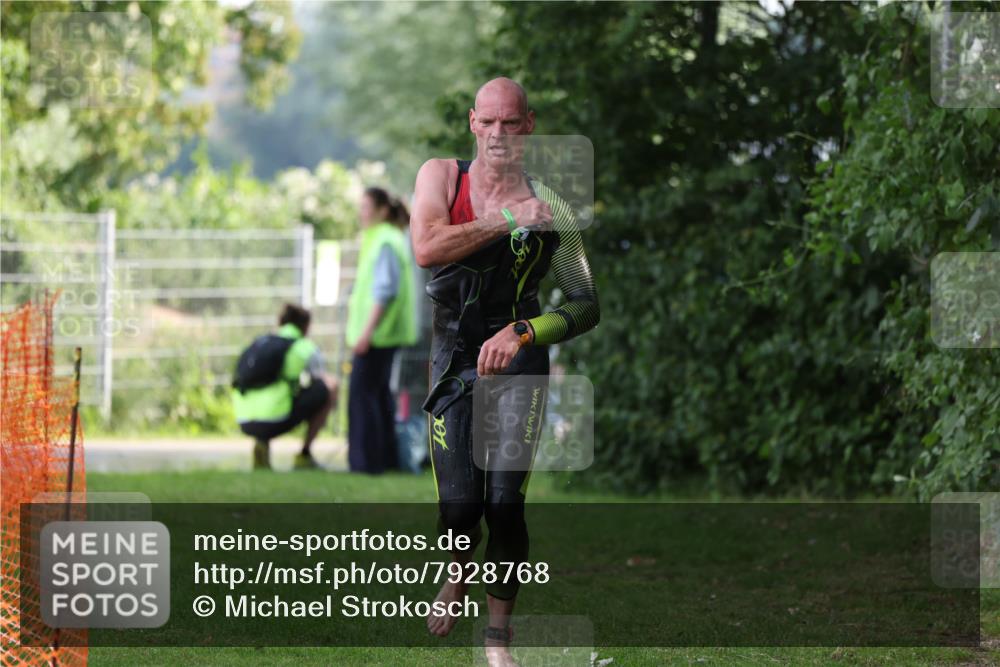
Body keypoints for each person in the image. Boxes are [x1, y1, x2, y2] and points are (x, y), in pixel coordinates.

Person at [410, 77, 600, 666]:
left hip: (518, 358)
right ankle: (459, 570)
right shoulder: (442, 177)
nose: (497, 133)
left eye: (510, 122)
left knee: (505, 505)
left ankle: (497, 643)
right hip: (453, 359)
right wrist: (505, 220)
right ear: (472, 123)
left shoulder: (555, 207)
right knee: (461, 510)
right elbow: (426, 247)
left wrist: (523, 331)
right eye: (487, 122)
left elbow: (584, 302)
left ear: (529, 125)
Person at [345, 187, 419, 474]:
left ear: (382, 210)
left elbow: (385, 291)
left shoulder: (385, 241)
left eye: (365, 207)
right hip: (380, 334)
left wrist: (366, 333)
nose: (361, 213)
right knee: (377, 394)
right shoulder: (385, 238)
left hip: (378, 335)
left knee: (364, 396)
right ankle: (385, 459)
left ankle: (366, 462)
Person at [232, 303, 337, 470]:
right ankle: (305, 454)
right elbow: (323, 380)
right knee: (330, 387)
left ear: (280, 322)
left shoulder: (261, 342)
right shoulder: (304, 347)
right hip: (276, 418)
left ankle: (262, 445)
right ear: (306, 327)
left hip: (243, 419)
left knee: (275, 390)